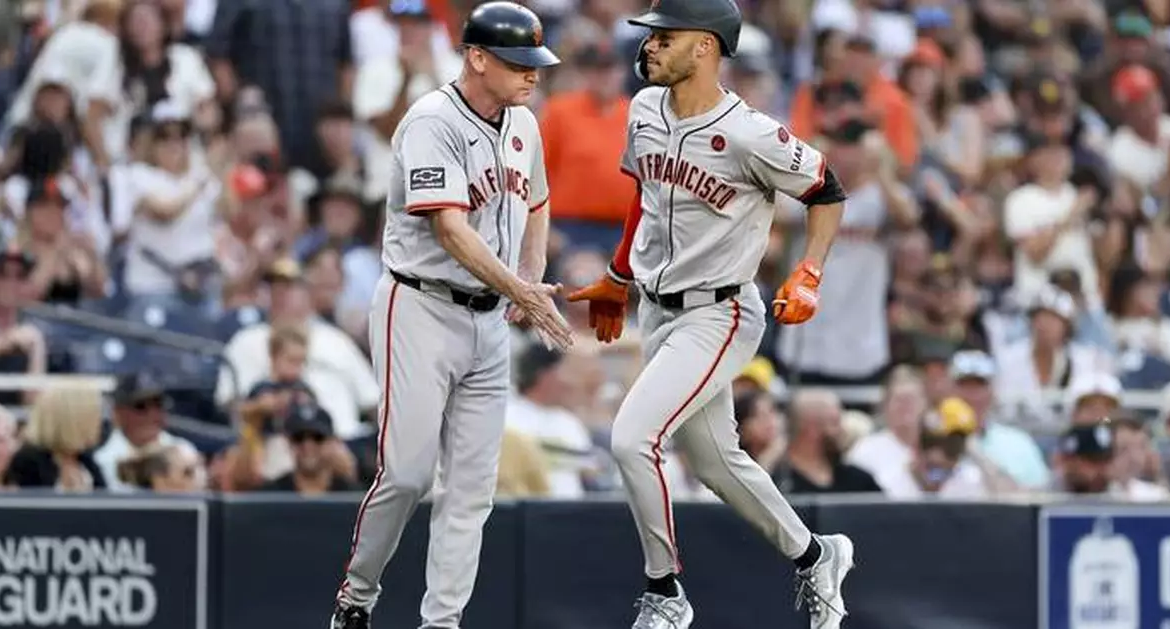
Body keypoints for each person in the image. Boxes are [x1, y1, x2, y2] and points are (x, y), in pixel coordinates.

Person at [565, 0, 854, 626]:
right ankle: (815, 556)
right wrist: (617, 278)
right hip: (658, 311)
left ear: (706, 47)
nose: (650, 47)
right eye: (650, 36)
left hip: (719, 312)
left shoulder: (750, 132)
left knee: (632, 438)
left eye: (665, 37)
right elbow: (644, 195)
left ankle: (666, 594)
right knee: (719, 463)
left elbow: (826, 189)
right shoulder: (643, 108)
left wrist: (809, 271)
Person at [331, 4, 571, 629]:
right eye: (520, 63)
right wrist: (523, 290)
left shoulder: (523, 123)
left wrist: (531, 271)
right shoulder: (431, 121)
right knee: (407, 475)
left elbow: (537, 200)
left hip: (488, 319)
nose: (532, 75)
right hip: (420, 306)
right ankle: (357, 596)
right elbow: (450, 230)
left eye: (536, 64)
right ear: (477, 57)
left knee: (471, 493)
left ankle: (442, 623)